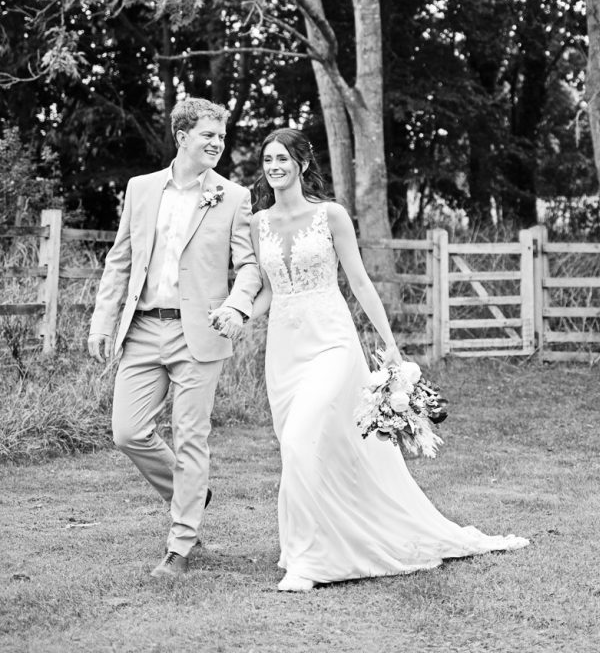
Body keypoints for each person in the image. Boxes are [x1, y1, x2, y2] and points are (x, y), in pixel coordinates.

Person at [214, 126, 529, 591]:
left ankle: (309, 563)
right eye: (267, 160)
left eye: (282, 158)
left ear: (302, 163)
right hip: (283, 349)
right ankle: (309, 541)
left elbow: (359, 282)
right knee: (299, 447)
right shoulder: (259, 223)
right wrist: (237, 315)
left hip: (332, 343)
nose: (274, 167)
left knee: (300, 439)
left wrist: (392, 346)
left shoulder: (331, 215)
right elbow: (266, 290)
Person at [87, 97, 262, 578]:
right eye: (208, 135)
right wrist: (103, 320)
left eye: (222, 137)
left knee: (191, 439)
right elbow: (120, 259)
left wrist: (237, 305)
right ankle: (193, 492)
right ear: (181, 137)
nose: (217, 143)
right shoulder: (140, 189)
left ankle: (180, 545)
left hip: (199, 333)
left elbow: (248, 267)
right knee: (127, 431)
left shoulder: (233, 196)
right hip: (142, 328)